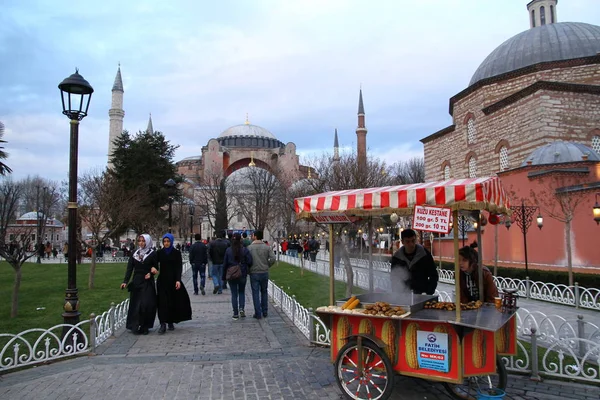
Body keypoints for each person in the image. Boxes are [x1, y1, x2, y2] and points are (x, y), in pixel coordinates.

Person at [120, 234, 158, 335]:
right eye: (139, 241)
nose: (141, 243)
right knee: (136, 304)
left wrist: (151, 273)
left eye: (143, 241)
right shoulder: (135, 253)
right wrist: (125, 281)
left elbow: (155, 267)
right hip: (137, 281)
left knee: (146, 304)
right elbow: (129, 269)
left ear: (147, 241)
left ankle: (145, 326)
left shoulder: (152, 254)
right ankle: (135, 325)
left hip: (147, 282)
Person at [156, 233, 192, 334]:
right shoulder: (160, 253)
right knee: (162, 302)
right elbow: (154, 263)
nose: (166, 243)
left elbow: (178, 267)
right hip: (162, 280)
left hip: (172, 281)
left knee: (171, 301)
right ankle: (162, 323)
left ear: (171, 242)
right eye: (165, 241)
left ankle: (170, 321)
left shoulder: (176, 253)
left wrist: (177, 280)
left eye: (168, 241)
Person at [390, 229, 438, 295]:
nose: (411, 244)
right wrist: (397, 294)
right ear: (402, 242)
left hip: (422, 294)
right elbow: (394, 278)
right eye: (407, 241)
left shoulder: (424, 254)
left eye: (413, 241)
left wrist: (429, 292)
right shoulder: (397, 257)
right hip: (403, 295)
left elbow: (433, 275)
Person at [222, 233, 253, 320]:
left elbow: (225, 264)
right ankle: (241, 308)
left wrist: (224, 276)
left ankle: (235, 313)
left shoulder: (228, 250)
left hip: (232, 273)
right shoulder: (244, 250)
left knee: (234, 293)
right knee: (241, 292)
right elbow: (250, 261)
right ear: (240, 240)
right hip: (242, 272)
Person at [247, 230, 275, 319]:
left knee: (255, 293)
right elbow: (273, 258)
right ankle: (265, 311)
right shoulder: (266, 247)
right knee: (264, 291)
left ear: (255, 236)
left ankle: (258, 312)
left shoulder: (249, 248)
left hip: (254, 272)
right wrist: (268, 265)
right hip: (264, 271)